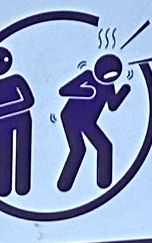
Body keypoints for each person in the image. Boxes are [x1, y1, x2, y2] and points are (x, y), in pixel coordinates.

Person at [57, 51, 135, 194]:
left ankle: (104, 182)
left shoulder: (109, 86)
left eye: (112, 76)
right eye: (107, 75)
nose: (108, 78)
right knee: (78, 149)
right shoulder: (87, 77)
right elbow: (64, 90)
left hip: (88, 121)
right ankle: (64, 185)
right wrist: (87, 91)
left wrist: (124, 90)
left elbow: (112, 106)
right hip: (71, 118)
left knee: (105, 146)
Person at [0, 43, 36, 197]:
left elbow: (28, 101)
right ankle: (3, 189)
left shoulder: (16, 80)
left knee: (22, 153)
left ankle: (22, 188)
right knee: (4, 156)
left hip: (22, 121)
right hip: (3, 126)